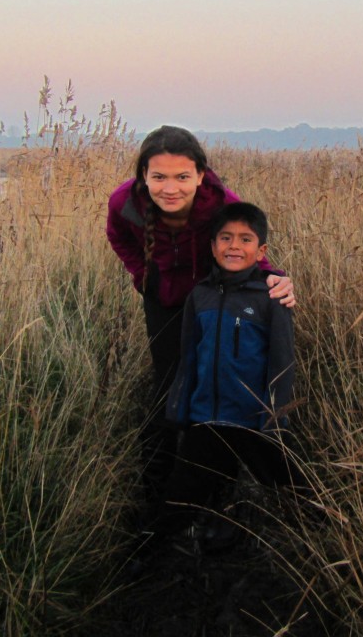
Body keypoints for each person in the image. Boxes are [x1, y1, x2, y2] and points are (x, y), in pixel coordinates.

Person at [106, 126, 294, 503]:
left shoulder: (222, 202)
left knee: (212, 380)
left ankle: (221, 477)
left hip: (213, 301)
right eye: (158, 177)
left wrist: (275, 279)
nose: (170, 188)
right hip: (162, 299)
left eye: (182, 177)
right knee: (170, 384)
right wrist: (142, 274)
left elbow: (246, 247)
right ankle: (165, 482)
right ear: (143, 175)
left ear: (200, 175)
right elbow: (118, 237)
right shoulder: (124, 202)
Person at [155, 202, 309, 543]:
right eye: (225, 238)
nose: (234, 247)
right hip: (206, 418)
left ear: (261, 251)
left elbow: (282, 361)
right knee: (181, 496)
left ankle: (318, 538)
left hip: (252, 420)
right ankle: (158, 552)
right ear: (212, 246)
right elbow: (189, 357)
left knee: (291, 491)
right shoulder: (201, 295)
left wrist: (274, 417)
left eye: (245, 239)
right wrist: (180, 410)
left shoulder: (272, 297)